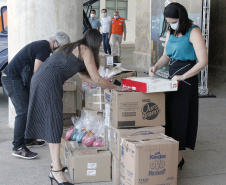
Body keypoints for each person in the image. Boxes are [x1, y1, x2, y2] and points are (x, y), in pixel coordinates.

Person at [24, 29, 122, 185]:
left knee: (52, 120)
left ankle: (55, 164)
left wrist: (103, 85)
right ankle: (56, 171)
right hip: (48, 82)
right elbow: (96, 79)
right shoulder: (86, 50)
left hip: (41, 79)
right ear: (96, 42)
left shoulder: (73, 47)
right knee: (55, 122)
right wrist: (116, 87)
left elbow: (84, 76)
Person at [149, 2, 208, 170]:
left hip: (187, 77)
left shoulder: (194, 31)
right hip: (172, 76)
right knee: (169, 116)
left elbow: (203, 61)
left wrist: (183, 76)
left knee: (181, 118)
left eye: (173, 21)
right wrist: (156, 66)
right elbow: (166, 55)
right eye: (168, 21)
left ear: (181, 18)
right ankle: (169, 151)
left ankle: (178, 158)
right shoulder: (170, 31)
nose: (171, 24)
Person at [1, 31, 70, 160]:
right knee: (23, 112)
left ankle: (28, 139)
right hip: (11, 79)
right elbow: (37, 72)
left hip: (17, 80)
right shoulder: (44, 48)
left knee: (30, 108)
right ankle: (17, 147)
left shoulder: (43, 47)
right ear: (55, 42)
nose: (60, 50)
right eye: (60, 47)